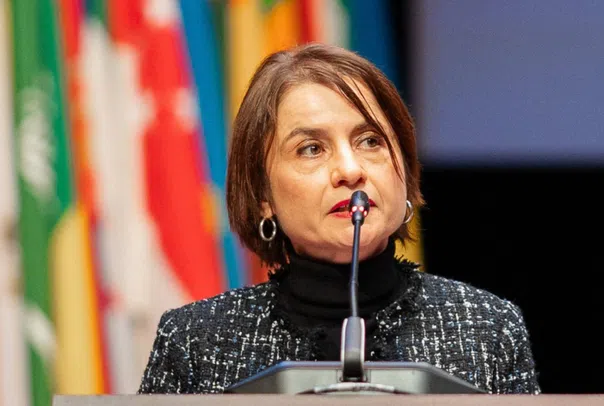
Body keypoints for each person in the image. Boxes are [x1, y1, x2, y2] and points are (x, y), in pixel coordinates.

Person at [138, 43, 540, 395]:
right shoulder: (196, 342)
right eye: (311, 149)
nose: (350, 170)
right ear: (263, 198)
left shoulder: (485, 329)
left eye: (370, 141)